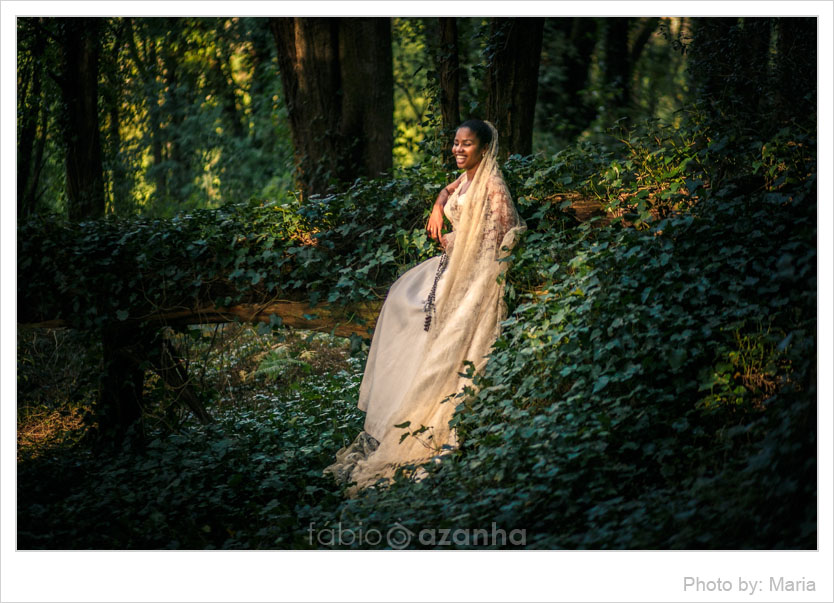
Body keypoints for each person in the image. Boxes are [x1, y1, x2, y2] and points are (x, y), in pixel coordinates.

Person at [324, 119, 526, 493]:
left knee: (418, 317)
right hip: (452, 262)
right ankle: (389, 413)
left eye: (467, 145)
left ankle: (415, 414)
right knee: (400, 299)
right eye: (456, 143)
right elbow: (450, 190)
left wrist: (460, 244)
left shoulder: (493, 183)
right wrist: (438, 204)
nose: (458, 150)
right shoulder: (466, 178)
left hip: (473, 270)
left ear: (484, 149)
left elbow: (508, 229)